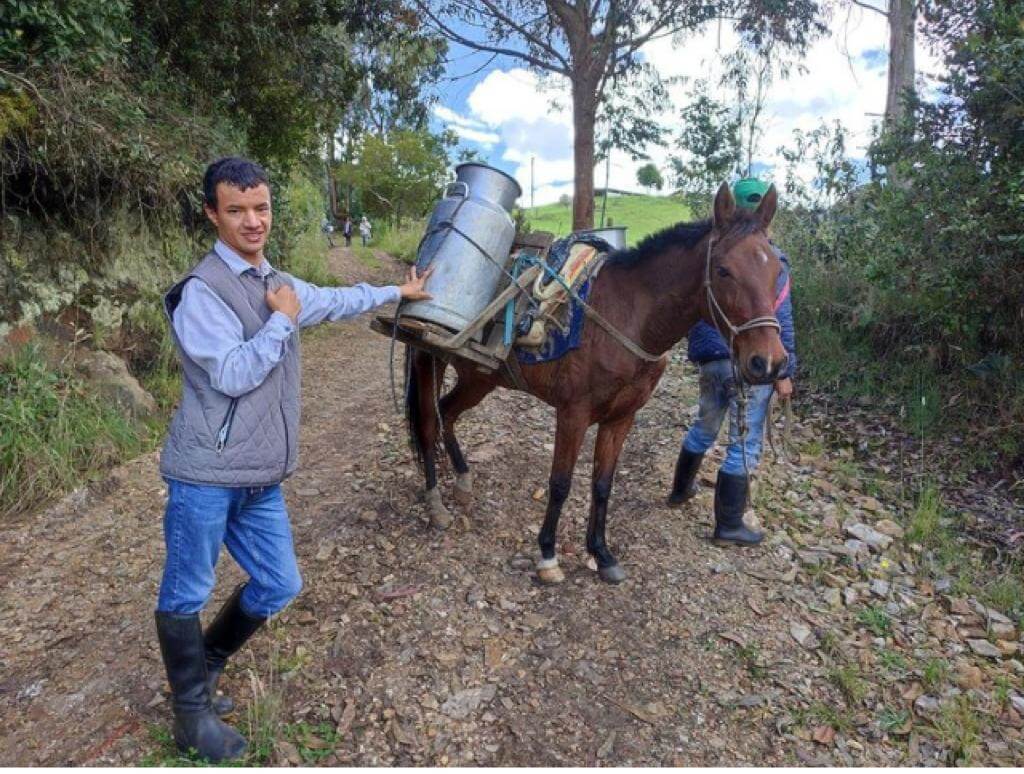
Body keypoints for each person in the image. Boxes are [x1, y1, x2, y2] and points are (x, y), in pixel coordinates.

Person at [154, 156, 432, 762]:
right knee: (186, 591)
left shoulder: (275, 279)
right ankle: (190, 715)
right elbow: (230, 374)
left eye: (262, 208)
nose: (253, 222)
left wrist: (398, 291)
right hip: (204, 474)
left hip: (258, 476)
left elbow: (332, 299)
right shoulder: (200, 291)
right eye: (237, 211)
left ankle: (205, 665)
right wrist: (282, 322)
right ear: (213, 214)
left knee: (280, 582)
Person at [666, 177, 797, 547]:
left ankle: (680, 490)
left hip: (712, 359)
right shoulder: (771, 261)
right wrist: (784, 370)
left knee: (705, 424)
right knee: (745, 439)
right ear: (762, 215)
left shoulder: (711, 253)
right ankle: (728, 526)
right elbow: (780, 320)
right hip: (750, 358)